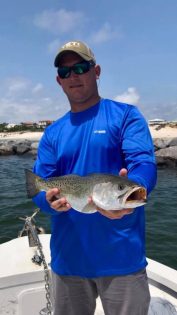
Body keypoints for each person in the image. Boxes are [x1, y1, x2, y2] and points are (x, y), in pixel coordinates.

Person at [32, 40, 157, 315]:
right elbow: (40, 189)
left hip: (122, 259)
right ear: (58, 81)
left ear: (96, 71)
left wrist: (137, 187)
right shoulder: (53, 133)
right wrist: (48, 201)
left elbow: (143, 164)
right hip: (68, 261)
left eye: (80, 67)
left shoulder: (125, 116)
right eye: (65, 72)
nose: (73, 76)